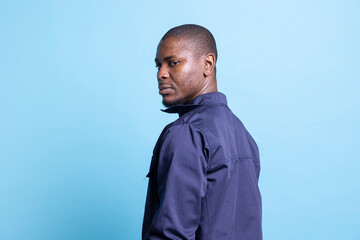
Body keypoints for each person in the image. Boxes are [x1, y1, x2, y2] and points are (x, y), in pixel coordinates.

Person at [142, 24, 262, 240]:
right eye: (158, 65)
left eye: (173, 63)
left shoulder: (185, 133)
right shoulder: (243, 134)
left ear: (208, 64)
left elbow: (172, 234)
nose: (161, 74)